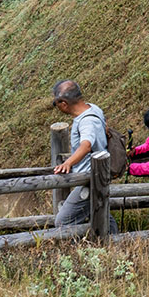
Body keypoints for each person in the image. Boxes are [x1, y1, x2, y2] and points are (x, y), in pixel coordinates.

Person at [50, 79, 107, 230]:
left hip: (90, 179)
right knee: (99, 212)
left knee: (63, 221)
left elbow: (86, 145)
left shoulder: (86, 121)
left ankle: (82, 247)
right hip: (98, 175)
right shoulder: (94, 109)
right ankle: (115, 242)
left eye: (56, 104)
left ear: (63, 103)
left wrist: (68, 163)